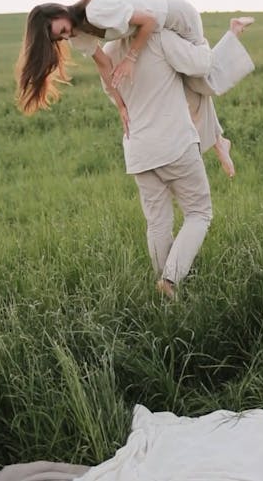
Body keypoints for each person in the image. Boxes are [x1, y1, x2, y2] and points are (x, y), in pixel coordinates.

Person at [15, 0, 255, 177]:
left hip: (177, 18)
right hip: (157, 29)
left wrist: (131, 57)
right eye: (59, 38)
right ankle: (218, 141)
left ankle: (232, 32)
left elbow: (149, 20)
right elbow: (104, 65)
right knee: (188, 84)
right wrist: (121, 105)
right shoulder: (78, 36)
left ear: (55, 12)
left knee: (202, 69)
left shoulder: (95, 10)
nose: (64, 36)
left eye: (59, 30)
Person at [98, 17, 254, 299]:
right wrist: (201, 41)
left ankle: (164, 290)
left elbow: (114, 94)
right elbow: (202, 66)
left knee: (157, 223)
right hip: (173, 144)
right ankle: (170, 279)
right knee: (199, 213)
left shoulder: (109, 51)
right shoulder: (159, 38)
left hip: (138, 150)